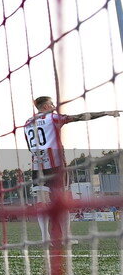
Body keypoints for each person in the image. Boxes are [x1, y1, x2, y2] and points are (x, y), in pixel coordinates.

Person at [22, 96, 119, 243]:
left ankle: (45, 237)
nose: (54, 106)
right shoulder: (53, 118)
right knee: (62, 200)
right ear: (46, 106)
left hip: (38, 166)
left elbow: (30, 147)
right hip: (56, 166)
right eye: (52, 104)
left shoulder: (27, 123)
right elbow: (80, 117)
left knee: (41, 201)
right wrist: (106, 112)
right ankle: (66, 237)